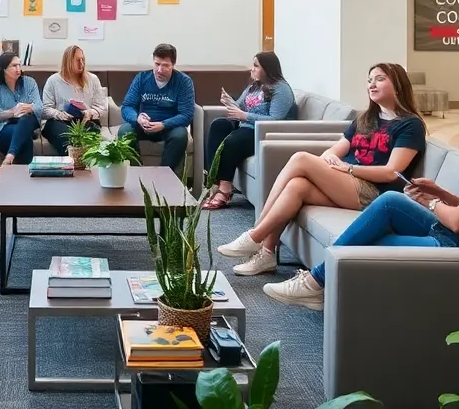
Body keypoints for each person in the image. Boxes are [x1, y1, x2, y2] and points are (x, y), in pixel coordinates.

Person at [262, 83, 459, 310]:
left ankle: (314, 282)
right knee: (390, 201)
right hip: (455, 233)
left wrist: (431, 202)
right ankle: (316, 282)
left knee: (363, 243)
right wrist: (438, 192)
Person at [218, 63, 424, 276]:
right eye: (370, 80)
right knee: (297, 186)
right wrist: (331, 163)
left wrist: (349, 168)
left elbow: (392, 172)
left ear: (398, 86)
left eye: (380, 79)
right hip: (347, 183)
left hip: (375, 192)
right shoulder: (364, 119)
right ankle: (267, 254)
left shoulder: (410, 125)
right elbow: (333, 151)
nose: (372, 85)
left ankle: (255, 234)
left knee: (300, 159)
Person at [202, 51, 296, 210]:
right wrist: (229, 102)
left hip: (262, 132)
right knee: (218, 125)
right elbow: (240, 107)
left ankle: (225, 190)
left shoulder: (281, 89)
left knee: (232, 141)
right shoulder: (254, 86)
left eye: (256, 66)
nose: (252, 70)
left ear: (267, 69)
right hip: (245, 126)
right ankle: (215, 182)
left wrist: (245, 116)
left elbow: (276, 120)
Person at [117, 43, 195, 173]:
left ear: (173, 65)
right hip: (143, 125)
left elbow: (186, 115)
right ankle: (137, 173)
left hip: (168, 127)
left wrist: (163, 124)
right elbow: (127, 106)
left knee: (180, 135)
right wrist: (137, 118)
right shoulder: (141, 78)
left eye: (165, 66)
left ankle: (163, 175)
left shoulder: (183, 82)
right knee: (124, 131)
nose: (159, 70)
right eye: (157, 64)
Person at [40, 45, 108, 156]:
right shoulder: (53, 81)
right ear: (68, 61)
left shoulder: (93, 79)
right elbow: (45, 109)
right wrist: (59, 114)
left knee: (86, 136)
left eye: (83, 59)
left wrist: (90, 113)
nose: (81, 63)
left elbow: (102, 108)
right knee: (64, 136)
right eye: (77, 60)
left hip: (86, 121)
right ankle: (70, 164)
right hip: (59, 121)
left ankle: (81, 166)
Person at [0, 52, 43, 178]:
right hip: (6, 126)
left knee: (26, 119)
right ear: (3, 68)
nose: (19, 69)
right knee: (25, 139)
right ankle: (25, 179)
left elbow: (40, 107)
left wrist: (30, 107)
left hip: (29, 121)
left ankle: (8, 160)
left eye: (19, 65)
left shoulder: (29, 82)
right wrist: (13, 111)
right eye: (14, 66)